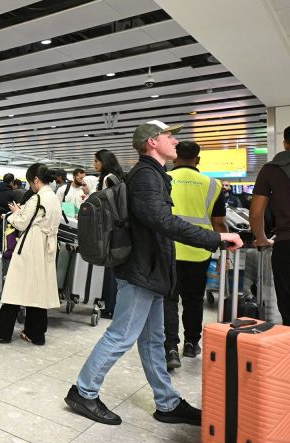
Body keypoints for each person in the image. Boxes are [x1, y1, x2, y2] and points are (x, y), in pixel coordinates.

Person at [65, 120, 244, 427]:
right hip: (141, 270)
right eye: (168, 135)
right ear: (151, 142)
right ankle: (84, 391)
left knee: (153, 339)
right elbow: (163, 221)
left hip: (150, 269)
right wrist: (214, 238)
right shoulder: (147, 176)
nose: (174, 140)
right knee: (121, 335)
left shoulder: (155, 174)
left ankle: (167, 402)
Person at [0, 163, 61, 345]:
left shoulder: (37, 198)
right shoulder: (53, 198)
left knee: (16, 288)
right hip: (47, 246)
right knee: (38, 290)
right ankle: (35, 333)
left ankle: (1, 333)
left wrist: (14, 214)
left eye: (31, 182)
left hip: (31, 245)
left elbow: (22, 223)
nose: (31, 185)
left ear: (36, 180)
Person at [163, 141, 227, 370]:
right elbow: (218, 223)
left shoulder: (164, 180)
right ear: (198, 160)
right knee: (194, 299)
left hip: (169, 250)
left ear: (174, 158)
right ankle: (191, 343)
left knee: (169, 299)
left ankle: (170, 347)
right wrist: (224, 252)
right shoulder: (213, 184)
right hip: (200, 251)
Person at [250, 124, 290, 325]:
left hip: (286, 245)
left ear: (285, 143)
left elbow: (256, 213)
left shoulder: (271, 170)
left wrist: (262, 238)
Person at [93, 149, 126, 319]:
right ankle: (112, 304)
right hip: (118, 228)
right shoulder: (118, 177)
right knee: (114, 269)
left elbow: (106, 205)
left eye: (97, 161)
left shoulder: (107, 179)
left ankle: (110, 306)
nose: (95, 164)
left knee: (109, 270)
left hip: (108, 229)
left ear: (104, 162)